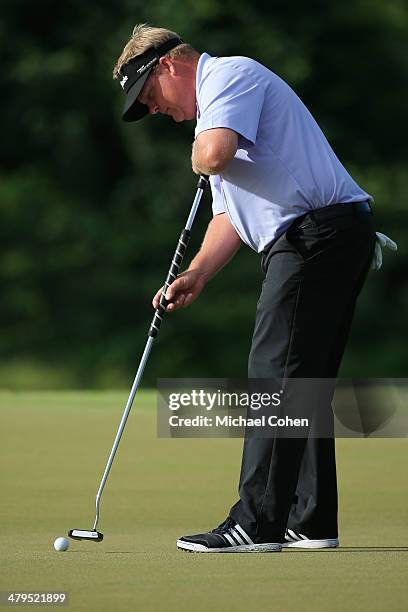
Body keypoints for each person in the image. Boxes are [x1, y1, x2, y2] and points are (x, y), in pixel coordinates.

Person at [113, 24, 397, 553]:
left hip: (315, 236)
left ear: (170, 67)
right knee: (304, 382)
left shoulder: (230, 76)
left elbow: (214, 157)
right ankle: (310, 520)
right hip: (325, 235)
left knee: (275, 374)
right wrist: (196, 273)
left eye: (149, 96)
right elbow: (232, 216)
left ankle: (257, 520)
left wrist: (200, 151)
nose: (154, 110)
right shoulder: (217, 113)